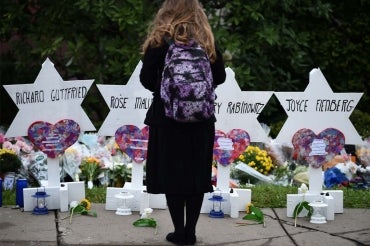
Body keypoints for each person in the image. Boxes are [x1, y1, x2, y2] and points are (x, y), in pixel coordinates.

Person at [139, 0, 226, 245]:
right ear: (198, 13)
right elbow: (220, 76)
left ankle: (179, 232)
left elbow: (146, 79)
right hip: (201, 119)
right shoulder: (206, 40)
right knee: (196, 176)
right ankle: (191, 231)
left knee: (173, 175)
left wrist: (170, 89)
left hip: (166, 118)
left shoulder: (160, 41)